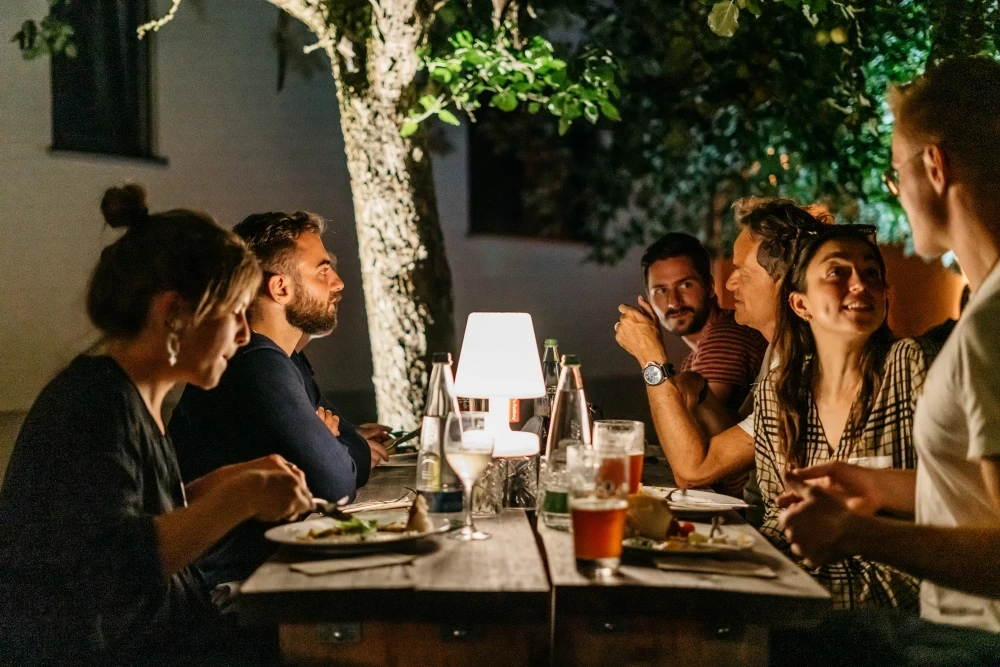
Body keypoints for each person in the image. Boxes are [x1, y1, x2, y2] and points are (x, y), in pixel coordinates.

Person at [0, 185, 313, 665]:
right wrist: (240, 497)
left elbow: (128, 516)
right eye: (234, 313)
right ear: (174, 314)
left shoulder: (132, 397)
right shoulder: (91, 403)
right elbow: (110, 567)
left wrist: (211, 488)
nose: (245, 334)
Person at [776, 55, 1000, 662]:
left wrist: (857, 533)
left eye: (894, 172)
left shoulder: (989, 329)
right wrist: (872, 485)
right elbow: (973, 492)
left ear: (935, 165)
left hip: (971, 641)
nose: (895, 192)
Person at [169, 211, 386, 587]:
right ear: (281, 288)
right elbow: (336, 482)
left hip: (254, 577)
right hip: (223, 592)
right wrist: (336, 447)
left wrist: (336, 443)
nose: (338, 283)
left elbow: (346, 437)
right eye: (322, 270)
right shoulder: (257, 363)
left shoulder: (287, 361)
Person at [756, 225, 925, 610]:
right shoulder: (778, 391)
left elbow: (958, 492)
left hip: (898, 594)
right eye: (838, 272)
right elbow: (775, 512)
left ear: (886, 295)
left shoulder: (908, 366)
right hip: (802, 582)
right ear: (801, 305)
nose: (860, 285)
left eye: (871, 274)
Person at [616, 200, 827, 503]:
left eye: (742, 270)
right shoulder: (779, 357)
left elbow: (694, 467)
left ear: (782, 280)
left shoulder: (801, 367)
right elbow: (733, 441)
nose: (730, 282)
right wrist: (697, 389)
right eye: (660, 290)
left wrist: (651, 358)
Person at [640, 233, 767, 412]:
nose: (673, 302)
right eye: (661, 290)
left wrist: (649, 354)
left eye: (685, 285)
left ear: (710, 286)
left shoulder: (724, 338)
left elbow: (687, 436)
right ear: (648, 299)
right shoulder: (693, 358)